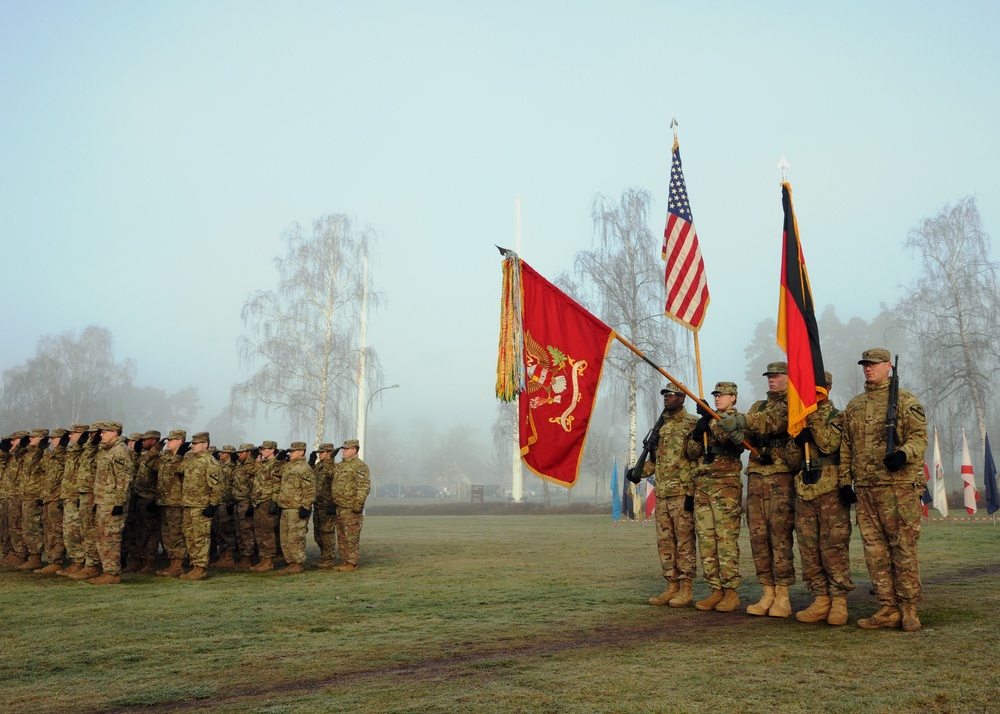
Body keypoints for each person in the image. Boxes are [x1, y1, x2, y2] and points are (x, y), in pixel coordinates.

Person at [841, 348, 928, 631]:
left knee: (902, 549)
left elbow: (919, 437)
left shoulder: (905, 400)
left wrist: (903, 454)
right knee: (875, 552)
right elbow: (846, 449)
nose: (868, 369)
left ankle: (909, 608)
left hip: (898, 488)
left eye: (874, 364)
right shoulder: (854, 406)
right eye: (865, 364)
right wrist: (845, 482)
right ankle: (888, 607)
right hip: (866, 490)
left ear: (888, 366)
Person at [722, 361, 796, 618]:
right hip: (756, 477)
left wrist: (741, 419)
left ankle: (783, 594)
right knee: (758, 537)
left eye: (776, 376)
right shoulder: (758, 406)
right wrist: (732, 428)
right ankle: (767, 591)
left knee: (780, 536)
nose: (771, 379)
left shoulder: (794, 404)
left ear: (788, 377)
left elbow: (773, 423)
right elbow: (748, 437)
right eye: (769, 376)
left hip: (780, 478)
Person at [784, 371, 855, 626]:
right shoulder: (799, 419)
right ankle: (821, 598)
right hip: (805, 491)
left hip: (830, 491)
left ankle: (839, 601)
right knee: (809, 550)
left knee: (833, 549)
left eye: (816, 387)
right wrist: (796, 440)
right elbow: (791, 460)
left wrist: (811, 422)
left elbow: (828, 445)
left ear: (828, 388)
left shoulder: (838, 417)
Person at [686, 382, 745, 612]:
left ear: (733, 398)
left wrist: (710, 419)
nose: (718, 398)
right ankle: (715, 589)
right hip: (703, 485)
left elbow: (728, 439)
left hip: (725, 486)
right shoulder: (708, 421)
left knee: (726, 539)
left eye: (722, 395)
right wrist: (698, 431)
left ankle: (731, 591)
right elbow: (691, 452)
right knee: (707, 540)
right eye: (716, 395)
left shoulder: (735, 420)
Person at [642, 383, 699, 607]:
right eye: (664, 394)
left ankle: (686, 588)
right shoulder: (660, 427)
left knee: (684, 542)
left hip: (682, 492)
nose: (666, 398)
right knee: (665, 542)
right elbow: (655, 462)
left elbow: (695, 458)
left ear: (682, 398)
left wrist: (693, 491)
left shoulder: (691, 424)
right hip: (663, 493)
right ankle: (671, 585)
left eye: (671, 394)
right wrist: (639, 473)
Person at [90, 420, 135, 585]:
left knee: (110, 537)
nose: (101, 434)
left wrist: (119, 502)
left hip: (113, 502)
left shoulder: (120, 451)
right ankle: (107, 570)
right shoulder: (106, 450)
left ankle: (113, 573)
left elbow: (124, 478)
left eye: (104, 432)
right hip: (104, 500)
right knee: (102, 536)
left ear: (114, 433)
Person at [179, 432, 223, 581]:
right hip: (189, 505)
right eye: (193, 443)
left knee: (200, 538)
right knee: (190, 536)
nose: (193, 445)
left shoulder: (209, 462)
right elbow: (177, 470)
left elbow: (217, 487)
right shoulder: (192, 460)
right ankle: (194, 566)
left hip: (201, 506)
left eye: (196, 443)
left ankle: (201, 568)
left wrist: (212, 505)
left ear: (205, 444)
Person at [123, 430, 162, 575]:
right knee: (137, 532)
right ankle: (138, 560)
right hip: (138, 498)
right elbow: (134, 469)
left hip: (149, 499)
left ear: (154, 441)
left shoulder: (158, 458)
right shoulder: (144, 457)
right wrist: (137, 453)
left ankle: (150, 562)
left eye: (145, 440)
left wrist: (156, 500)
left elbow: (163, 480)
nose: (142, 442)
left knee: (149, 533)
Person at [329, 439, 370, 571]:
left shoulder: (360, 466)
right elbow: (328, 472)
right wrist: (330, 458)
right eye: (343, 449)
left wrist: (358, 504)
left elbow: (363, 486)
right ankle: (345, 561)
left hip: (351, 507)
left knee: (351, 536)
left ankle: (352, 563)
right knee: (341, 535)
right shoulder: (340, 466)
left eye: (346, 449)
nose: (344, 451)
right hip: (339, 506)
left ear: (354, 450)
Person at [275, 441, 314, 574]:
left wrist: (306, 506)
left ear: (301, 452)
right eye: (290, 451)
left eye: (293, 451)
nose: (290, 453)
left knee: (295, 537)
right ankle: (290, 562)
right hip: (285, 507)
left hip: (296, 508)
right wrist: (278, 459)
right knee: (285, 538)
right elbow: (274, 472)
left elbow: (309, 489)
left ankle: (297, 563)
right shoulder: (288, 467)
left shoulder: (304, 468)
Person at [155, 430, 190, 577]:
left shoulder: (186, 457)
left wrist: (179, 455)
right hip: (164, 500)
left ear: (180, 441)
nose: (168, 442)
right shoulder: (166, 456)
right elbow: (150, 466)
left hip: (177, 501)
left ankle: (178, 565)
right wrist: (156, 449)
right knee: (167, 535)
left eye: (171, 440)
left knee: (176, 534)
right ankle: (172, 563)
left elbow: (179, 470)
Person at [56, 425, 90, 576]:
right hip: (68, 496)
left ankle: (81, 561)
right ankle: (76, 561)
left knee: (77, 532)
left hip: (78, 496)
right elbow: (60, 461)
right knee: (69, 532)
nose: (70, 436)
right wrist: (61, 447)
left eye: (73, 433)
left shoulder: (88, 450)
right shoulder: (73, 451)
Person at [35, 428, 69, 574]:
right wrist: (38, 450)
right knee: (49, 531)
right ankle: (51, 559)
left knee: (56, 531)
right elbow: (38, 466)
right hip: (48, 498)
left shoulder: (65, 455)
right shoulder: (51, 456)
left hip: (57, 498)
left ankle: (57, 561)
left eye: (54, 439)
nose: (51, 441)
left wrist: (61, 447)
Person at [16, 428, 49, 572]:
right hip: (27, 495)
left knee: (34, 528)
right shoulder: (29, 454)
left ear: (42, 438)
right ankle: (31, 556)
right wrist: (20, 446)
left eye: (33, 437)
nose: (30, 439)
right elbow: (17, 457)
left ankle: (36, 557)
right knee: (27, 527)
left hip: (36, 496)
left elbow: (45, 471)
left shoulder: (45, 454)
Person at [250, 440, 282, 572]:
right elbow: (249, 471)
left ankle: (269, 560)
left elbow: (277, 484)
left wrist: (274, 501)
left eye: (265, 449)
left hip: (267, 501)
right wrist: (254, 459)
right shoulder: (262, 464)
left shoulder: (276, 465)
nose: (262, 451)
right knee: (259, 532)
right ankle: (263, 558)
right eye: (261, 449)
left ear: (272, 450)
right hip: (258, 502)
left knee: (267, 532)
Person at [312, 443, 339, 568]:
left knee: (327, 533)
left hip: (328, 505)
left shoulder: (333, 467)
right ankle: (324, 556)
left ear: (329, 453)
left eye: (322, 452)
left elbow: (331, 475)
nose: (319, 454)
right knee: (318, 534)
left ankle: (329, 558)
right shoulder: (318, 466)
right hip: (318, 504)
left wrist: (333, 503)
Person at [231, 443, 258, 570]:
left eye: (242, 452)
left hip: (247, 501)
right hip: (238, 502)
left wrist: (252, 504)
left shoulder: (253, 466)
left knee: (246, 531)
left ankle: (247, 557)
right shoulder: (238, 466)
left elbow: (255, 486)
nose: (239, 454)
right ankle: (243, 556)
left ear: (249, 453)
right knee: (239, 531)